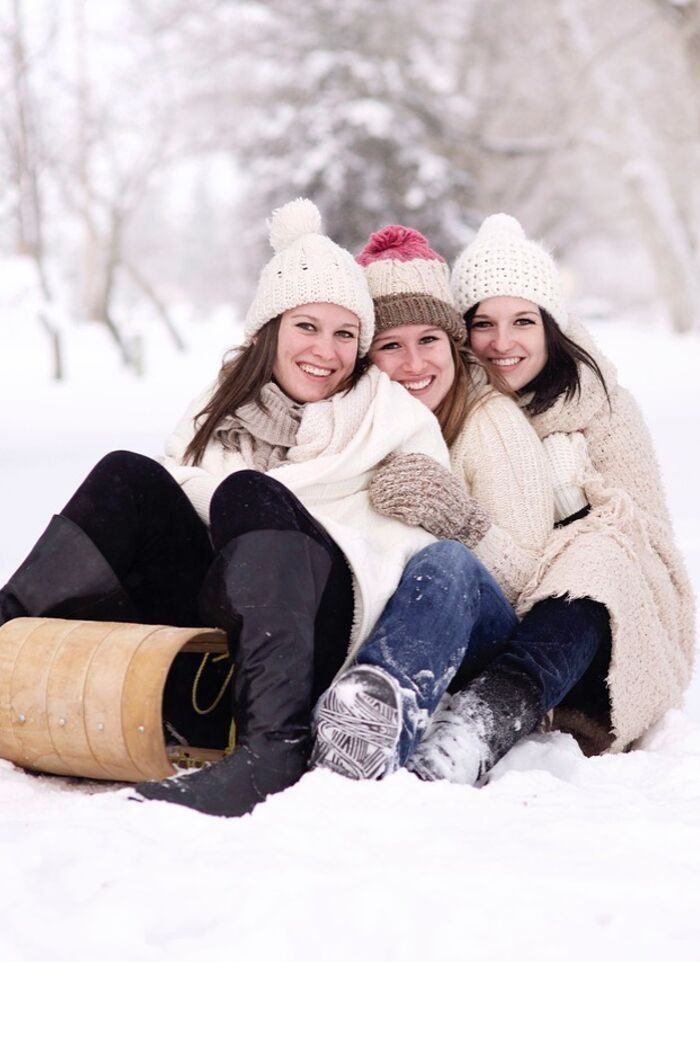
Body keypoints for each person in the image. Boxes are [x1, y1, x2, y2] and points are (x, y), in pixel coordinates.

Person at [0, 199, 487, 817]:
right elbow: (174, 503)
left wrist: (262, 509)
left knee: (246, 493)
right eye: (306, 327)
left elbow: (405, 558)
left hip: (326, 627)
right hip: (221, 618)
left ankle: (273, 749)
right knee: (126, 473)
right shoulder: (221, 410)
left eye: (345, 334)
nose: (327, 350)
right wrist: (239, 519)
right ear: (270, 330)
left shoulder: (392, 418)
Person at [402, 213, 696, 784]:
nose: (502, 343)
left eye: (522, 322)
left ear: (550, 327)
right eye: (483, 323)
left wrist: (580, 507)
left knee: (601, 555)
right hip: (491, 608)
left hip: (592, 627)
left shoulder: (600, 406)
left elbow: (651, 544)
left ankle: (480, 726)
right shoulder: (452, 403)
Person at [311, 224, 555, 778]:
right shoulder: (361, 423)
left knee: (445, 563)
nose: (414, 363)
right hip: (378, 617)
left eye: (429, 341)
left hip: (483, 639)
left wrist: (460, 521)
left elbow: (533, 583)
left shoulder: (489, 424)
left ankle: (376, 717)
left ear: (453, 344)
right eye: (391, 346)